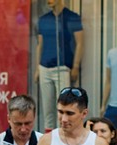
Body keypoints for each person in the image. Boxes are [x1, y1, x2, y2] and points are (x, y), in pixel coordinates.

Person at [35, 0, 84, 130]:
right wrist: (37, 68)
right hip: (45, 66)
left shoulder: (72, 17)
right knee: (47, 108)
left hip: (62, 67)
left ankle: (63, 135)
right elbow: (40, 44)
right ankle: (48, 138)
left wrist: (75, 66)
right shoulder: (44, 19)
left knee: (64, 106)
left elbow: (79, 43)